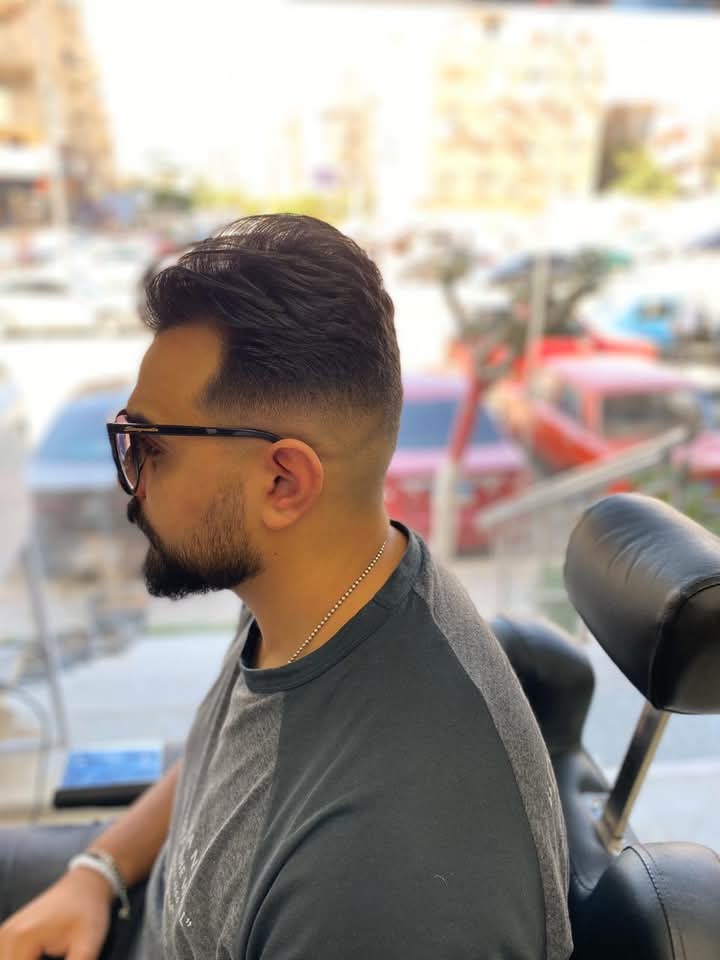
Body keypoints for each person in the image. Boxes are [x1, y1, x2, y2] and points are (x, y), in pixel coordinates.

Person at [0, 214, 572, 960]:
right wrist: (97, 871)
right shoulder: (315, 583)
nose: (130, 482)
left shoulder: (380, 888)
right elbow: (222, 767)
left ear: (282, 482)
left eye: (150, 447)